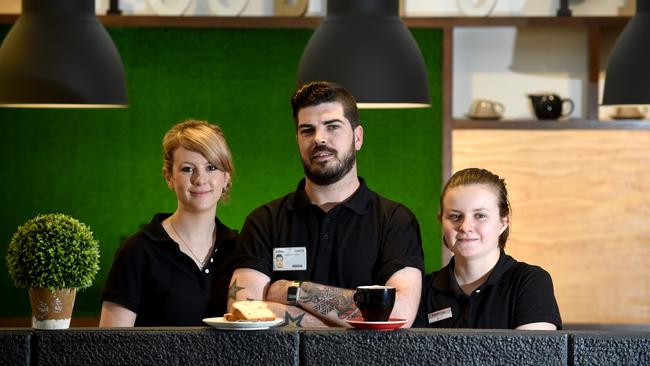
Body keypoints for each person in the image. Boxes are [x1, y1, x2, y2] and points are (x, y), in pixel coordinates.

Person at [229, 81, 424, 327]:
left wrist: (296, 292)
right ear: (297, 140)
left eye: (332, 127)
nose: (319, 138)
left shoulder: (395, 221)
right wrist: (346, 325)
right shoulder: (264, 221)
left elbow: (400, 314)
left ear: (358, 137)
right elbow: (243, 313)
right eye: (307, 130)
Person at [99, 120, 237, 327]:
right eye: (188, 169)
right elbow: (110, 346)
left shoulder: (241, 249)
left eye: (211, 167)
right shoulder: (136, 251)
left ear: (226, 177)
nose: (200, 179)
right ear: (168, 177)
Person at [414, 168, 562, 329]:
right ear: (442, 221)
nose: (465, 227)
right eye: (455, 216)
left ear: (503, 223)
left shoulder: (529, 282)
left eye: (480, 215)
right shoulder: (422, 290)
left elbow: (532, 354)